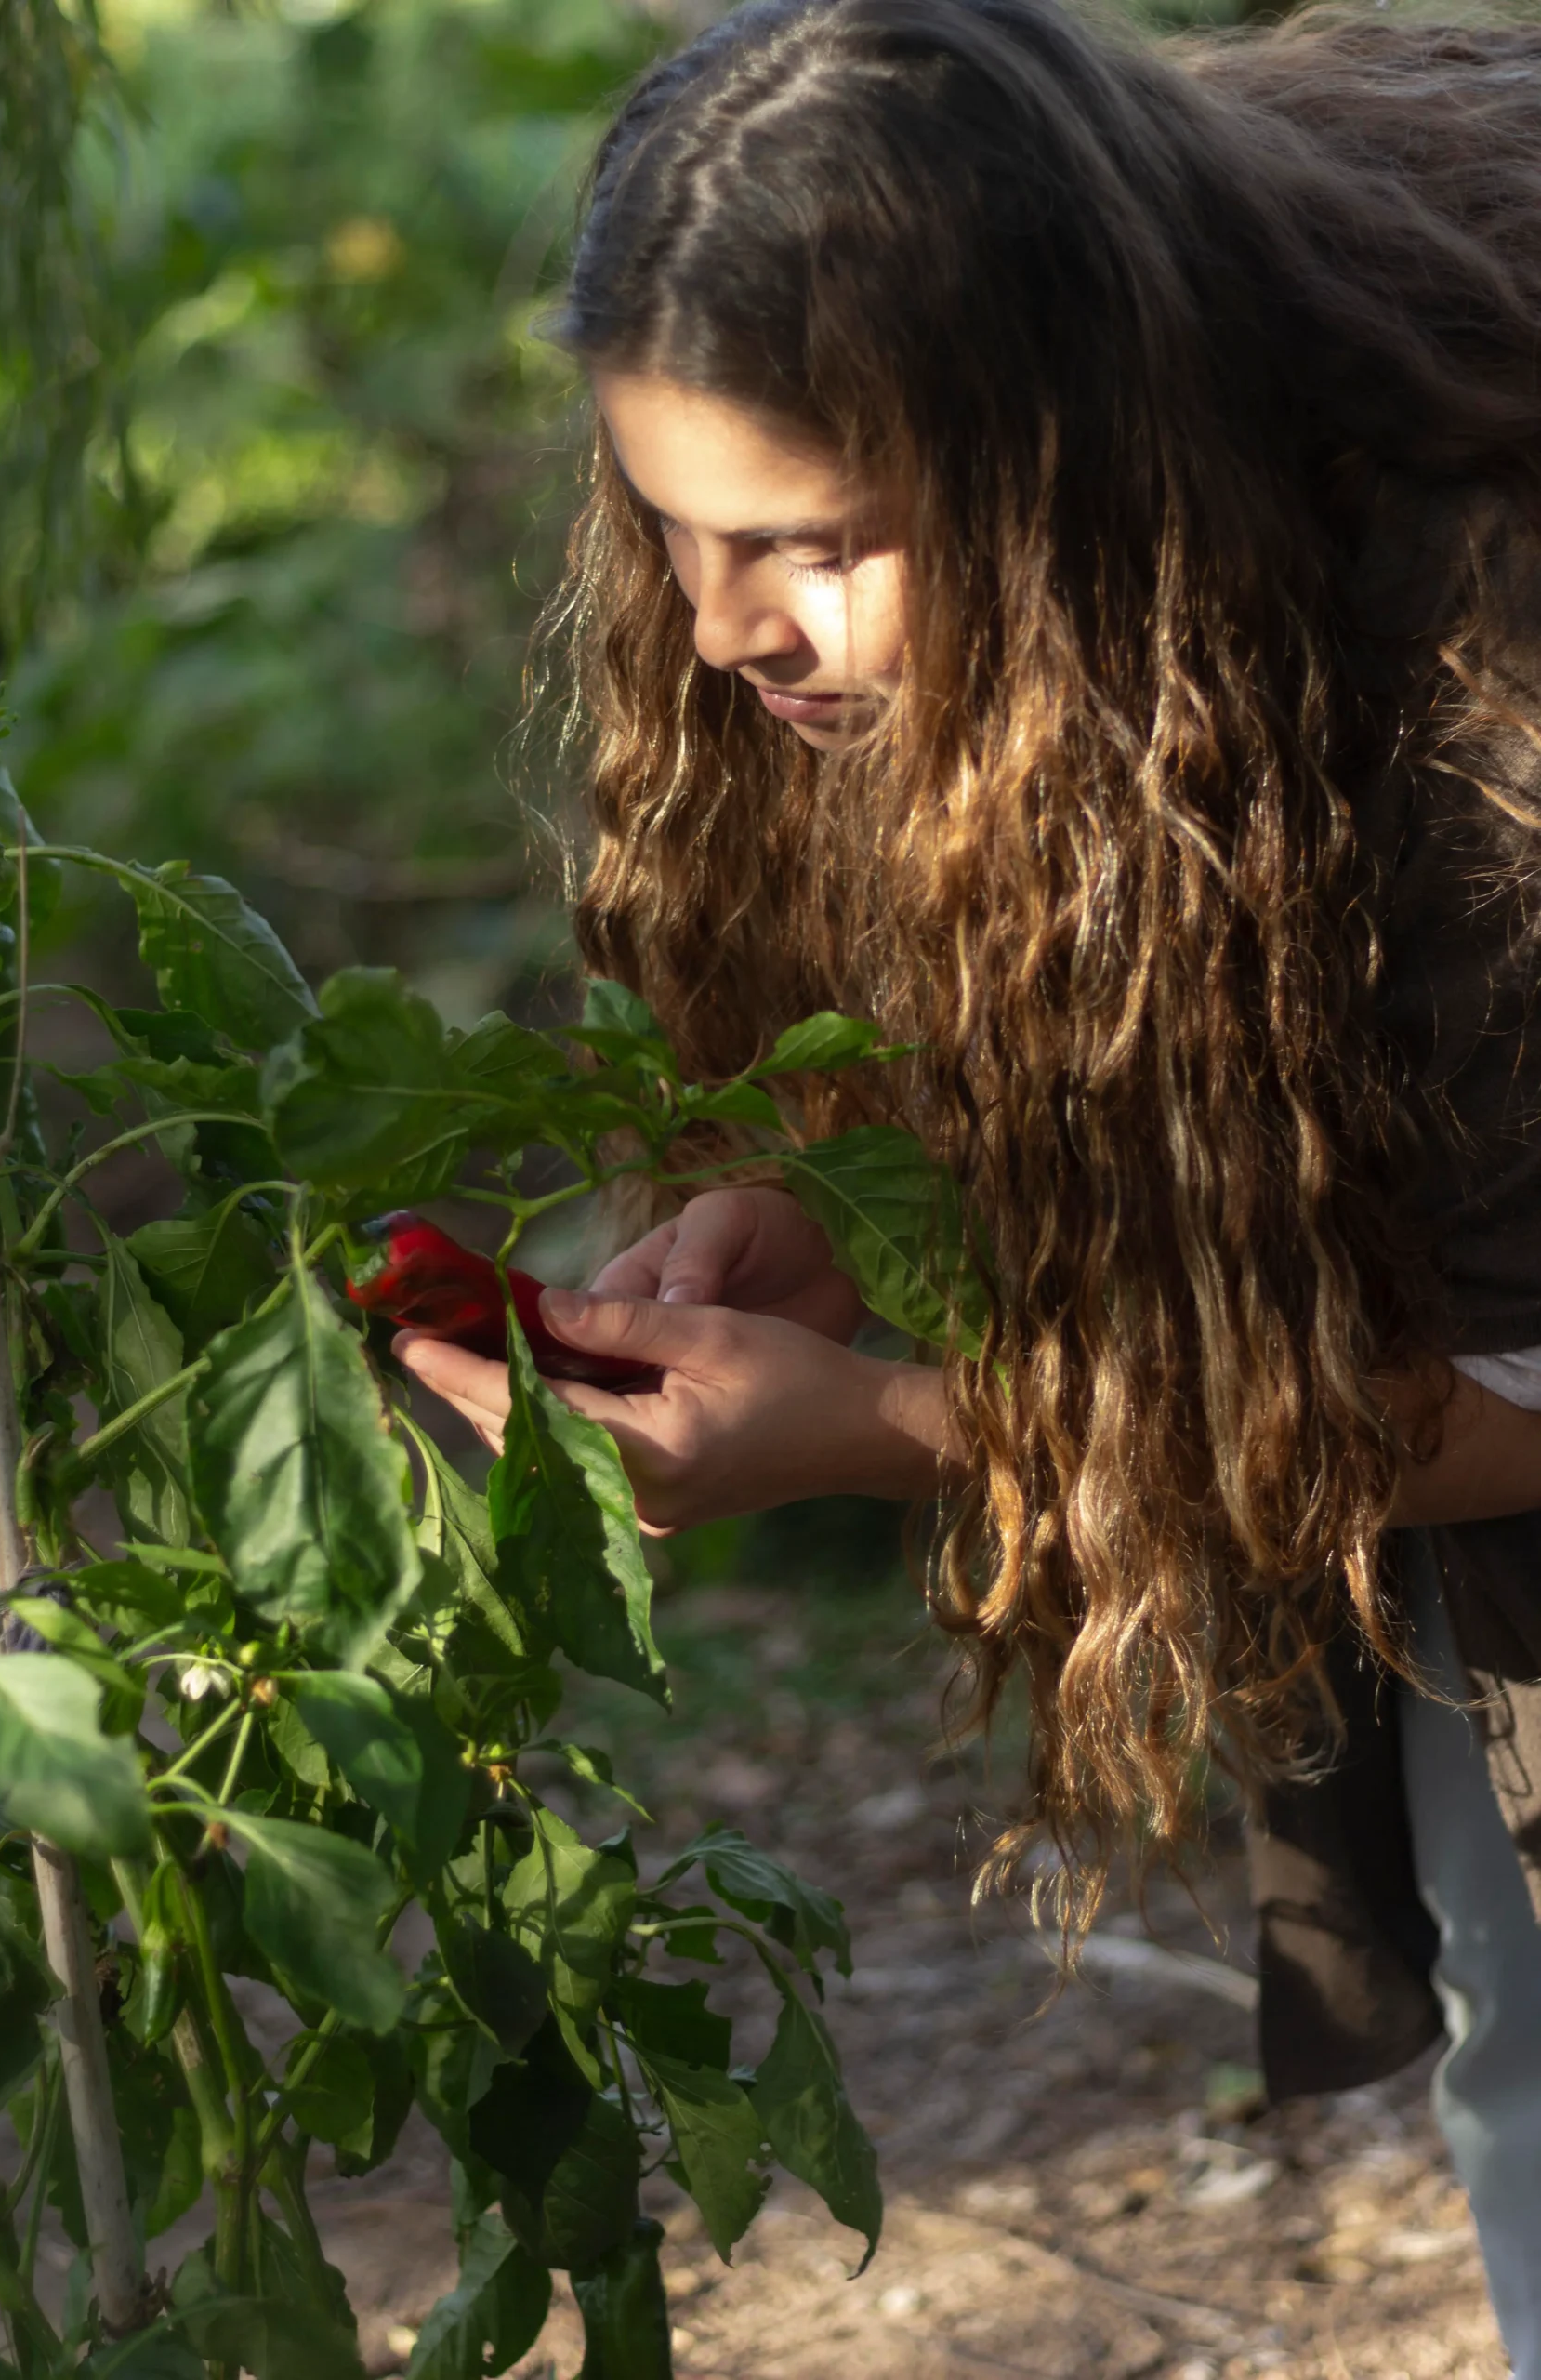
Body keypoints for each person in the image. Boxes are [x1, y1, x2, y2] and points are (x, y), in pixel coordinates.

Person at [396, 1, 1541, 2361]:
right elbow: (1144, 894)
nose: (724, 636)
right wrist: (867, 1197)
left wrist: (908, 1426)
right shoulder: (1155, 498)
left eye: (812, 545)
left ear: (1066, 465)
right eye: (676, 530)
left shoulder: (1487, 683)